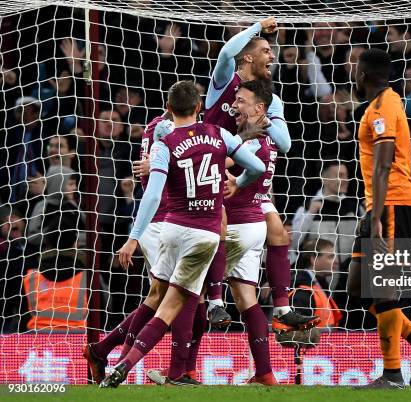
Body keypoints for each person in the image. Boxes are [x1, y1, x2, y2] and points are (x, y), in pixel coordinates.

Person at [99, 81, 265, 388]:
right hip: (204, 234)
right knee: (173, 304)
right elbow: (256, 166)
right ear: (200, 107)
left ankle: (114, 356)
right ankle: (142, 365)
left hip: (170, 230)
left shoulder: (165, 142)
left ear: (169, 108)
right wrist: (239, 183)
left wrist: (133, 237)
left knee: (157, 297)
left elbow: (151, 195)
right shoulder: (220, 135)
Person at [200, 16, 318, 334]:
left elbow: (286, 143)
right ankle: (213, 301)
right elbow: (226, 55)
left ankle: (282, 306)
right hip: (211, 175)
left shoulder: (269, 99)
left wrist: (261, 120)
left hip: (247, 180)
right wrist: (256, 28)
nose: (272, 56)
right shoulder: (225, 82)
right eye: (266, 50)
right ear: (249, 56)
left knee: (278, 231)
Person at [346, 48, 411, 388]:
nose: (352, 75)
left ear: (364, 74)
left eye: (355, 69)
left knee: (383, 286)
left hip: (393, 203)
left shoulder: (385, 104)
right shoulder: (375, 107)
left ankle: (391, 374)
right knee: (356, 286)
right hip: (380, 204)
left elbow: (385, 161)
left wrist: (376, 215)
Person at [83, 114, 175, 384]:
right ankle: (176, 370)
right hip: (162, 222)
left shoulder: (155, 127)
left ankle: (105, 354)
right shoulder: (167, 128)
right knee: (178, 297)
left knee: (158, 297)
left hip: (159, 223)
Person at [223, 80, 283, 385]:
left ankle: (180, 371)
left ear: (260, 108)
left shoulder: (248, 141)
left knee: (182, 291)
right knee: (246, 298)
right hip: (255, 223)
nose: (236, 106)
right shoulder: (269, 138)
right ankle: (264, 373)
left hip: (234, 226)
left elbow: (217, 163)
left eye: (242, 101)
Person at [290, 238, 343, 329]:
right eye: (330, 257)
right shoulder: (301, 290)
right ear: (313, 259)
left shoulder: (319, 284)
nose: (336, 262)